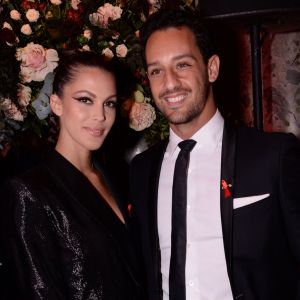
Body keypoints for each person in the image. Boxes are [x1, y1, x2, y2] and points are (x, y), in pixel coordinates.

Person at [129, 8, 300, 300]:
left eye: (182, 65)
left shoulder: (274, 156)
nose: (169, 83)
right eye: (156, 70)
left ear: (212, 69)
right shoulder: (141, 170)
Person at [0, 51, 145, 299]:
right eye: (86, 100)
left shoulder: (118, 178)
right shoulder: (30, 192)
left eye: (108, 103)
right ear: (56, 104)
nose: (100, 116)